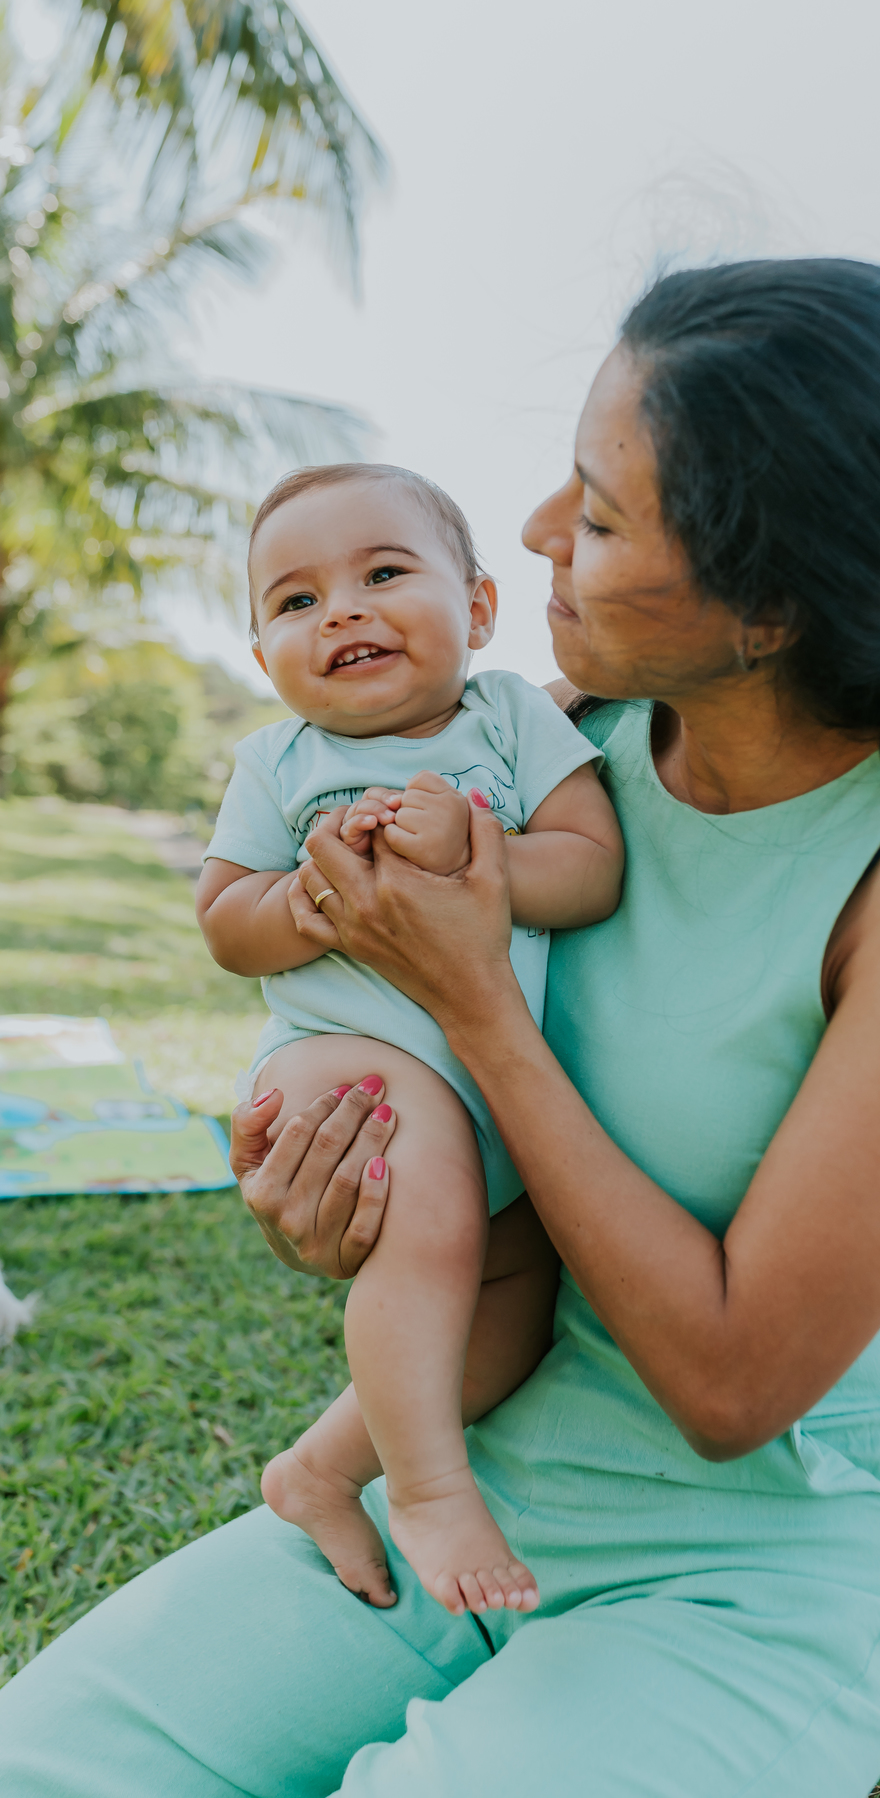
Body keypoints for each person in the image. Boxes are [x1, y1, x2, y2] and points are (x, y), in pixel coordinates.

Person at [0, 259, 880, 1798]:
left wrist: (479, 1007)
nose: (538, 534)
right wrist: (331, 1188)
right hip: (473, 1479)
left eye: (601, 518)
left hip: (745, 1570)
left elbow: (736, 1384)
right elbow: (382, 1059)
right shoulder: (557, 739)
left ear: (772, 606)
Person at [196, 463, 623, 1616]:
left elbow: (590, 866)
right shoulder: (279, 763)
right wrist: (301, 904)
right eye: (295, 601)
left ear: (478, 610)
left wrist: (485, 858)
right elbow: (226, 921)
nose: (339, 610)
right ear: (264, 660)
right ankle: (431, 1489)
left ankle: (324, 1467)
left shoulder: (512, 718)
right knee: (430, 1219)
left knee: (521, 1298)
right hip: (347, 1057)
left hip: (487, 1083)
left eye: (382, 574)